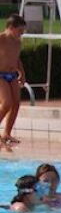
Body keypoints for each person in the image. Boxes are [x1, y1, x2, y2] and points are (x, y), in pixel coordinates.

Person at [0, 14, 27, 146]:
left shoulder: (17, 42)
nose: (21, 34)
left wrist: (22, 73)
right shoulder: (1, 39)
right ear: (11, 27)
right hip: (0, 75)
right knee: (7, 103)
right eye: (20, 31)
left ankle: (6, 133)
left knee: (16, 103)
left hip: (11, 75)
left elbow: (17, 59)